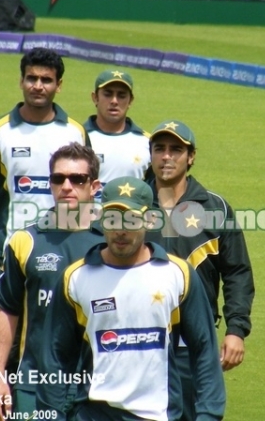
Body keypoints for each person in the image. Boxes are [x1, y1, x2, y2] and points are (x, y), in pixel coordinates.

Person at [36, 176, 226, 421]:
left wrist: (208, 415)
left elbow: (204, 351)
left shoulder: (178, 275)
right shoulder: (75, 278)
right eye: (112, 218)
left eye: (131, 219)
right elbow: (55, 358)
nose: (120, 230)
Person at [0, 47, 89, 362]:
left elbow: (86, 190)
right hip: (9, 251)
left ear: (59, 85)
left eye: (46, 79)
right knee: (4, 340)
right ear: (21, 81)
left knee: (65, 335)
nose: (38, 85)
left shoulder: (74, 132)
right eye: (31, 78)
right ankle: (0, 408)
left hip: (64, 247)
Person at [144, 121, 255, 421]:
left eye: (176, 150)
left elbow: (237, 272)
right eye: (160, 149)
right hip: (138, 341)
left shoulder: (215, 208)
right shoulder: (130, 208)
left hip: (193, 345)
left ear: (191, 157)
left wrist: (236, 330)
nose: (167, 157)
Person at [0, 143, 104, 420]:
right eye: (58, 178)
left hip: (100, 385)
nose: (66, 186)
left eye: (77, 179)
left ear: (95, 186)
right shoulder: (25, 241)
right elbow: (5, 308)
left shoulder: (115, 243)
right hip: (35, 383)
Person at [83, 69, 151, 198]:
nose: (114, 101)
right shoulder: (77, 137)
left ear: (130, 100)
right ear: (95, 97)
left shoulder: (148, 142)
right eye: (108, 94)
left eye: (121, 95)